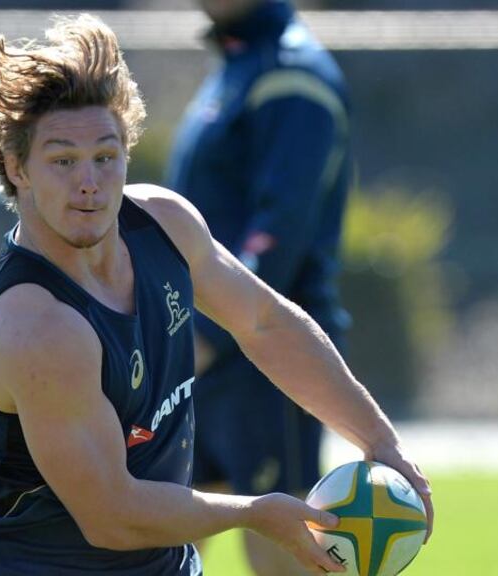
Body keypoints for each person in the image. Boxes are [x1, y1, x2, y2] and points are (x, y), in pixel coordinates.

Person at [0, 14, 430, 576]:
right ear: (16, 168)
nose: (90, 182)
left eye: (106, 155)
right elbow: (112, 516)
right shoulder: (38, 327)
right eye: (63, 161)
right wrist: (253, 513)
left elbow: (265, 323)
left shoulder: (164, 224)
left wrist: (379, 440)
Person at [165, 1, 353, 573]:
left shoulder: (292, 76)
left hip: (265, 364)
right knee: (152, 540)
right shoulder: (238, 65)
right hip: (204, 359)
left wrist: (203, 334)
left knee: (281, 554)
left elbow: (280, 229)